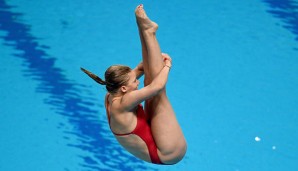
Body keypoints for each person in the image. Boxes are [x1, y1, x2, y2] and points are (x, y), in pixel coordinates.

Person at [81, 4, 186, 165]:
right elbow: (156, 87)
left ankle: (145, 30)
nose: (136, 81)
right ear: (123, 88)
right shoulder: (123, 103)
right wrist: (167, 65)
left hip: (156, 139)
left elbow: (139, 69)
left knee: (149, 81)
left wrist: (143, 66)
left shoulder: (111, 93)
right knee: (157, 93)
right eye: (133, 81)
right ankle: (147, 32)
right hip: (166, 152)